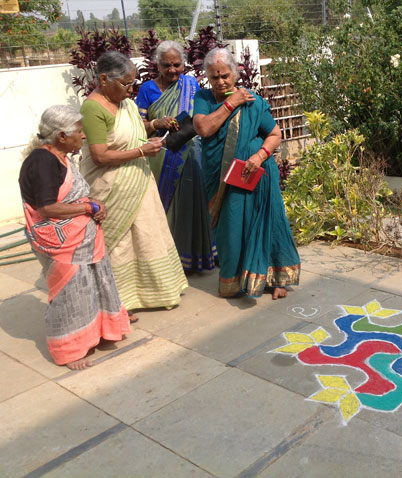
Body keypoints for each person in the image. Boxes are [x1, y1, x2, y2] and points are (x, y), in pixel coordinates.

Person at [18, 105, 130, 370]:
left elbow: (70, 195)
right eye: (79, 131)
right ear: (60, 136)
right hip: (60, 241)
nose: (83, 136)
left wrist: (92, 205)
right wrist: (88, 207)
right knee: (70, 293)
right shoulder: (42, 162)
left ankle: (99, 332)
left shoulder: (62, 157)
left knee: (92, 285)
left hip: (82, 237)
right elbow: (47, 208)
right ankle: (69, 350)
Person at [80, 51, 188, 319]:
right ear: (104, 79)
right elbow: (100, 155)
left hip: (139, 181)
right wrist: (141, 153)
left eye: (133, 84)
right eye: (126, 85)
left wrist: (154, 124)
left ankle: (158, 292)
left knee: (148, 237)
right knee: (119, 245)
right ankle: (118, 302)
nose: (131, 90)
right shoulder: (93, 108)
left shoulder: (123, 103)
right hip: (111, 187)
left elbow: (133, 128)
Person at [193, 47, 300, 300]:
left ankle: (276, 278)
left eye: (225, 76)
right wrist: (232, 102)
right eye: (215, 77)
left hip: (257, 174)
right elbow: (204, 128)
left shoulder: (253, 100)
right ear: (208, 77)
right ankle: (234, 280)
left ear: (235, 73)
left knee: (267, 222)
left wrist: (259, 156)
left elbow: (275, 135)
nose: (220, 81)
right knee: (231, 227)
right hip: (222, 179)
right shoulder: (204, 99)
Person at [135, 40, 216, 272]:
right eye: (166, 65)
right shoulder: (146, 90)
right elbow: (137, 126)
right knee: (166, 211)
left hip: (192, 157)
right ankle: (169, 262)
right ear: (157, 65)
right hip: (161, 158)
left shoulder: (191, 85)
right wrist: (156, 122)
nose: (172, 70)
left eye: (176, 65)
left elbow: (202, 118)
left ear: (184, 64)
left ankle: (197, 258)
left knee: (193, 205)